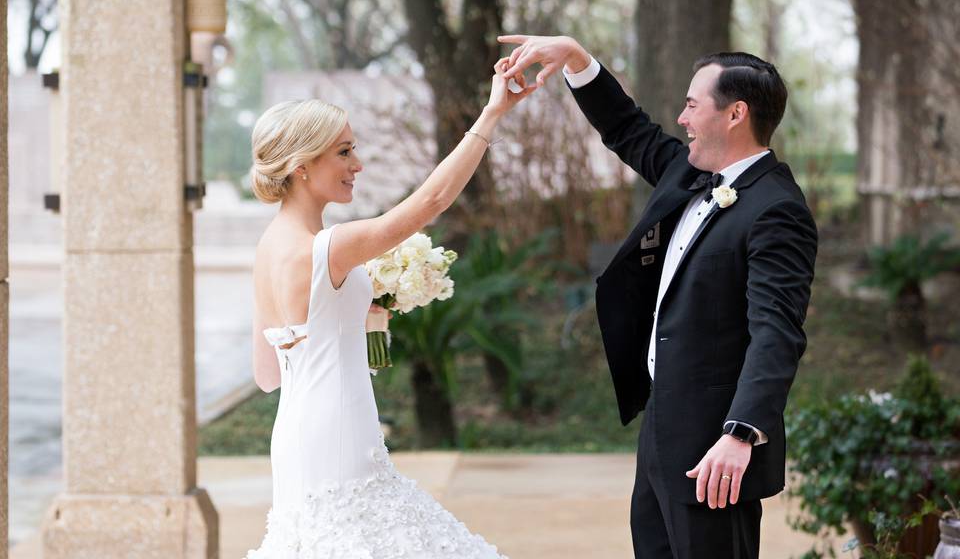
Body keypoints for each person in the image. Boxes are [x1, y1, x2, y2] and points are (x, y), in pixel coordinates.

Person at [498, 34, 818, 559]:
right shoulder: (691, 173)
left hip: (716, 452)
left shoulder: (776, 210)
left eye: (693, 105)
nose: (683, 117)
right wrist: (578, 60)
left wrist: (740, 434)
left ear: (735, 113)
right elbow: (628, 129)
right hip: (661, 430)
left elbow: (776, 332)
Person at [244, 59, 533, 558]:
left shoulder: (268, 249)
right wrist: (491, 114)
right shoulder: (328, 247)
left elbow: (268, 373)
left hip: (296, 440)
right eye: (344, 151)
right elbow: (433, 200)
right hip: (339, 438)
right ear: (301, 165)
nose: (358, 164)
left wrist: (358, 314)